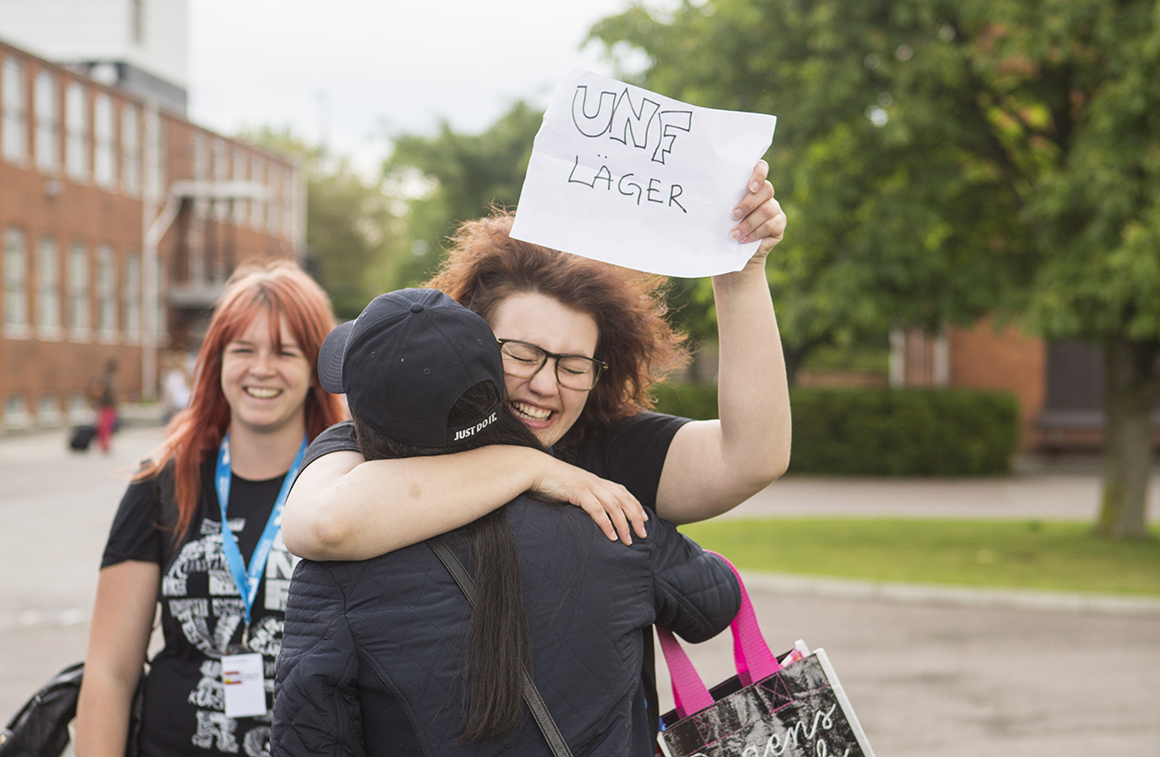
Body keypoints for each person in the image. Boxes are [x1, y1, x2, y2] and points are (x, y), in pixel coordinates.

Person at [280, 161, 788, 738]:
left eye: (574, 366)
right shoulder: (375, 444)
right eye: (521, 354)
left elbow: (752, 456)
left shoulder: (609, 446)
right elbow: (320, 523)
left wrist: (742, 272)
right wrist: (527, 467)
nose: (546, 385)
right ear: (468, 338)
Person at [273, 289, 741, 756]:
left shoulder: (333, 573)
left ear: (360, 417)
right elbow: (718, 602)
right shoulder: (611, 518)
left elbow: (311, 739)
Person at [75, 260, 347, 757]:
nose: (261, 369)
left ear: (314, 371)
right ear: (217, 361)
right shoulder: (161, 482)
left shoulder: (348, 484)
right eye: (243, 349)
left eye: (286, 352)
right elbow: (110, 673)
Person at [91, 359, 119, 453]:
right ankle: (104, 446)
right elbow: (110, 394)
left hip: (105, 405)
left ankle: (104, 445)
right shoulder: (108, 378)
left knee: (105, 426)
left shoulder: (104, 377)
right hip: (107, 405)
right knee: (106, 427)